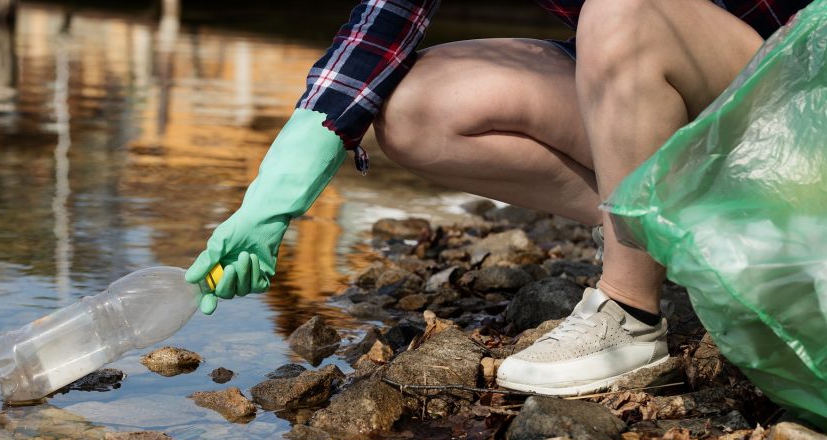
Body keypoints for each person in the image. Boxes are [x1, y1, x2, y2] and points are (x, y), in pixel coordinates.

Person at [185, 0, 812, 396]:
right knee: (415, 107)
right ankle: (659, 227)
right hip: (687, 91)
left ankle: (629, 314)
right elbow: (385, 20)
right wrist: (275, 192)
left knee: (622, 10)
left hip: (802, 108)